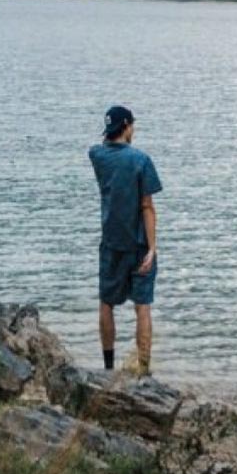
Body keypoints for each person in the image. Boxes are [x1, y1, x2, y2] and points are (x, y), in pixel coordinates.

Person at [89, 105, 162, 375]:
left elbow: (102, 144)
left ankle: (108, 369)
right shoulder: (141, 160)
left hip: (111, 243)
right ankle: (143, 371)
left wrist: (112, 134)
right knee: (142, 307)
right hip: (140, 244)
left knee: (106, 302)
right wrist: (152, 249)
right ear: (128, 126)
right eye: (132, 126)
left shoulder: (96, 156)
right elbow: (147, 207)